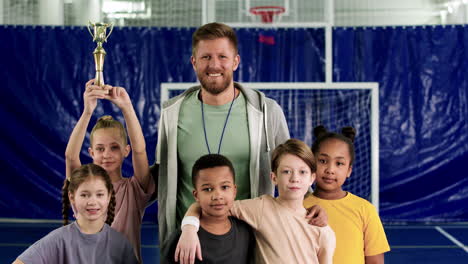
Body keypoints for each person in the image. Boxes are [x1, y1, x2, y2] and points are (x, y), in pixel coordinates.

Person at [153, 21, 291, 248]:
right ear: (194, 62)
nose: (214, 65)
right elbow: (160, 176)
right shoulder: (172, 113)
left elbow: (291, 170)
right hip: (188, 243)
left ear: (236, 61)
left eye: (222, 57)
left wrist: (312, 203)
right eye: (206, 57)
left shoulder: (267, 111)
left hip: (250, 243)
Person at [177, 139, 336, 264]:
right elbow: (211, 204)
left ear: (312, 178)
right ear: (274, 177)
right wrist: (189, 228)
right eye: (286, 171)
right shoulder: (260, 208)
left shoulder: (323, 230)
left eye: (302, 172)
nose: (295, 178)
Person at [65, 80, 155, 263]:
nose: (106, 154)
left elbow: (140, 150)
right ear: (91, 153)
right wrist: (87, 111)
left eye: (114, 147)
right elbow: (71, 157)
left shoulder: (134, 190)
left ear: (125, 151)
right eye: (100, 149)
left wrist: (127, 108)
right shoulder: (82, 190)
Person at [13, 164, 138, 264]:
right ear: (72, 197)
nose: (92, 202)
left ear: (109, 196)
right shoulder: (59, 240)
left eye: (99, 194)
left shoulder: (120, 244)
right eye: (84, 195)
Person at [303, 126, 390, 264]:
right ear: (311, 164)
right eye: (323, 161)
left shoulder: (365, 209)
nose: (330, 170)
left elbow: (375, 261)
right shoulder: (298, 207)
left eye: (339, 163)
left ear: (349, 170)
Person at [162, 154, 255, 264]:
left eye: (224, 187)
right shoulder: (182, 238)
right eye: (208, 189)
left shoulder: (245, 232)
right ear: (196, 196)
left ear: (234, 191)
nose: (217, 196)